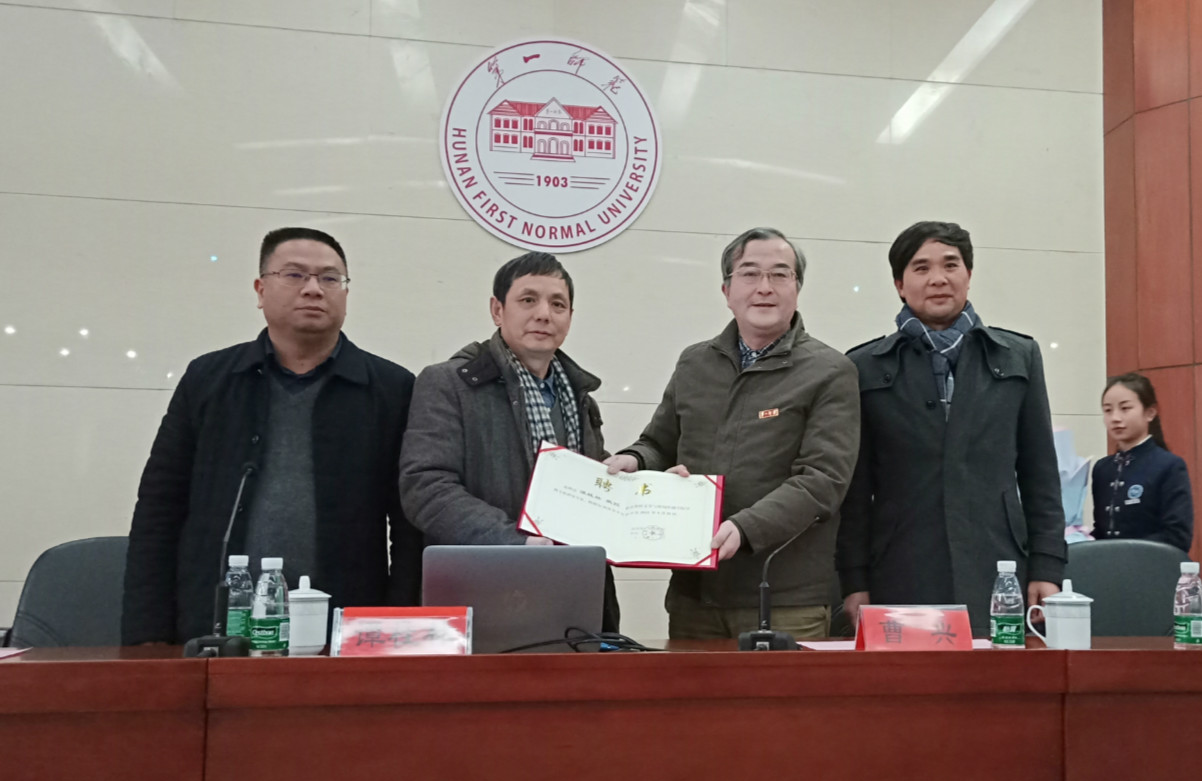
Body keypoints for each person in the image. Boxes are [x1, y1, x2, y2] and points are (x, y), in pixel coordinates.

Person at [123, 227, 421, 644]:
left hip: (346, 626)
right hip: (213, 627)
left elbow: (409, 526)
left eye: (330, 278)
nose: (314, 289)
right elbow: (159, 508)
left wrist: (398, 627)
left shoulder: (390, 388)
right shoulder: (210, 379)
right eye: (295, 275)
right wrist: (147, 637)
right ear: (260, 290)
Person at [605, 227, 860, 640]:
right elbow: (658, 444)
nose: (765, 287)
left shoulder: (830, 372)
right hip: (694, 595)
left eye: (780, 274)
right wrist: (634, 460)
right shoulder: (694, 364)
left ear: (797, 289)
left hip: (783, 601)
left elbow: (823, 480)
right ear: (727, 290)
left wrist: (745, 528)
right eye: (750, 273)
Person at [836, 220, 1066, 636]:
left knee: (994, 673)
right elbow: (854, 492)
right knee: (906, 675)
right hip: (899, 567)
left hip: (998, 566)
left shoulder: (1018, 357)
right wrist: (854, 580)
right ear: (899, 284)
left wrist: (1047, 567)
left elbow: (1041, 476)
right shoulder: (864, 367)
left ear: (969, 275)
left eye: (950, 264)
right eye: (921, 268)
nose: (938, 279)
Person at [399, 251, 619, 629]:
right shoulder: (448, 384)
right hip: (481, 591)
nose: (544, 314)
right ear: (497, 310)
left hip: (573, 591)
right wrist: (517, 543)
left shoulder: (579, 396)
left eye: (558, 304)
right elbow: (426, 488)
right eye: (528, 300)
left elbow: (591, 485)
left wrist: (645, 488)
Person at [1092, 372, 1193, 554]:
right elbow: (1101, 531)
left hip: (1152, 565)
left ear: (1149, 413)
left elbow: (1178, 536)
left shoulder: (1169, 466)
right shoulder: (1102, 469)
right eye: (1108, 410)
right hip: (1108, 566)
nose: (1115, 418)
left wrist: (1124, 552)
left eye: (1125, 408)